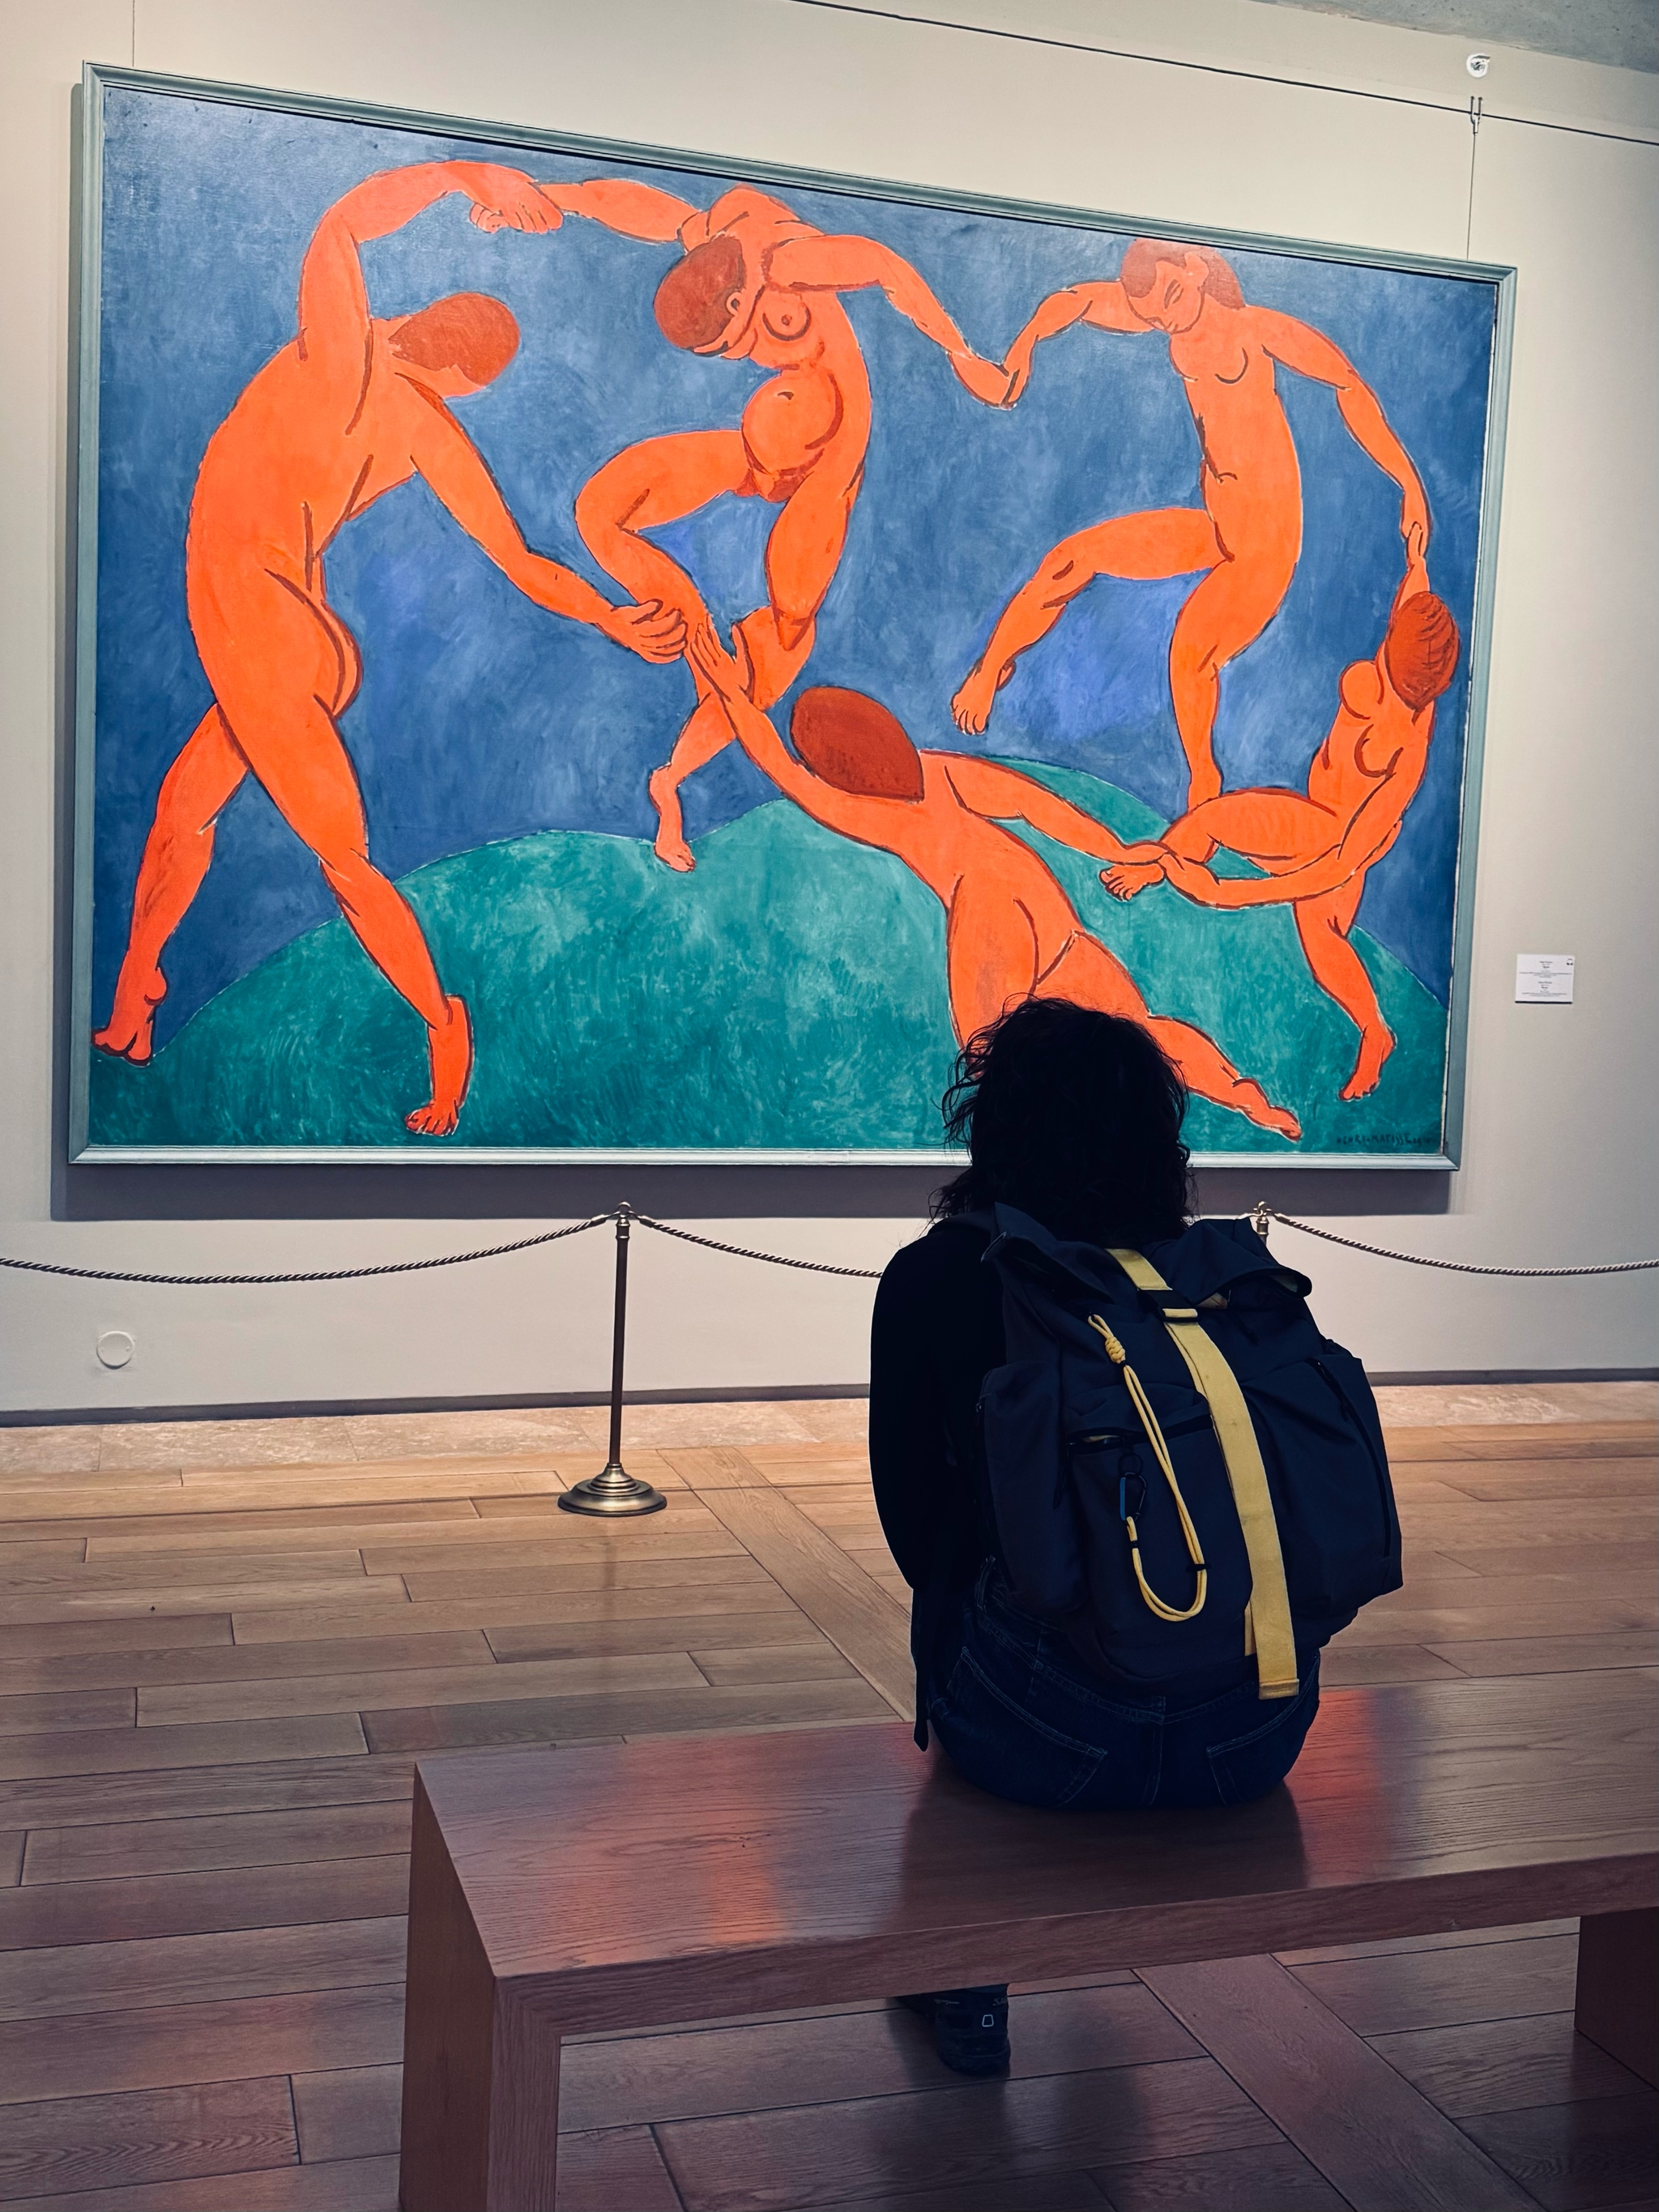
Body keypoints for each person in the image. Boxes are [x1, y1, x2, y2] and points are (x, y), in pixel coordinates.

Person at [93, 161, 684, 1135]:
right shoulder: (417, 419)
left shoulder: (351, 358)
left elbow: (340, 227)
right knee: (183, 811)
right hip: (284, 623)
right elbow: (522, 560)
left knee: (344, 862)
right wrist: (609, 616)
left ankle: (442, 1024)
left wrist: (459, 174)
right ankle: (134, 998)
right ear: (464, 377)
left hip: (264, 620)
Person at [869, 999, 1325, 2075]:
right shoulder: (1221, 1281)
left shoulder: (941, 1275)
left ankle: (967, 1979)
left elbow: (915, 1529)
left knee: (964, 1604)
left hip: (1040, 1739)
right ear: (1159, 1140)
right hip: (1255, 1730)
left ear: (993, 1127)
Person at [543, 177, 999, 869]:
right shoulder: (716, 231)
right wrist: (553, 193)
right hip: (756, 452)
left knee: (782, 641)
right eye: (722, 354)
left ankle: (672, 777)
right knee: (599, 510)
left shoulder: (792, 262)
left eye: (735, 342)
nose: (741, 357)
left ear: (741, 299)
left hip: (825, 471)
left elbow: (884, 265)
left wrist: (964, 356)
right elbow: (631, 205)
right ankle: (690, 621)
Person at [686, 627, 1301, 1140]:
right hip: (1043, 902)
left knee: (991, 1063)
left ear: (832, 766)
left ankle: (1035, 1170)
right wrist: (1114, 846)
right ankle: (1243, 1095)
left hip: (987, 905)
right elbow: (1033, 804)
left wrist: (733, 694)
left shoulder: (865, 809)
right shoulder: (940, 770)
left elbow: (779, 766)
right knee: (1138, 1029)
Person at [951, 240, 1429, 808]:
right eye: (1156, 315)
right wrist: (1022, 351)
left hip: (1263, 552)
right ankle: (989, 670)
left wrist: (1408, 483)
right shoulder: (1167, 313)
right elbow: (1075, 301)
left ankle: (1204, 788)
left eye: (1174, 297)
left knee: (1190, 654)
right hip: (1218, 525)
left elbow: (1346, 383)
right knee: (1072, 558)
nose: (1169, 319)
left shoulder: (1254, 331)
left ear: (1196, 267)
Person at [1101, 526, 1461, 1099]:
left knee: (1311, 928)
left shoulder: (1408, 749)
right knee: (1313, 925)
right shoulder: (1411, 637)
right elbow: (1415, 579)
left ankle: (1374, 1032)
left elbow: (1339, 863)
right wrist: (1415, 536)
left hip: (1333, 834)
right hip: (1319, 812)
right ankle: (1376, 1031)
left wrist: (1233, 892)